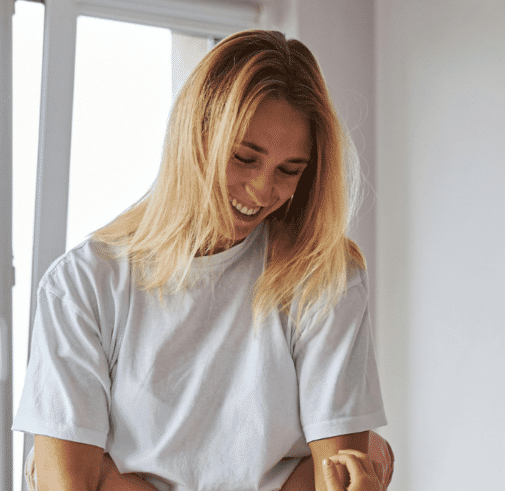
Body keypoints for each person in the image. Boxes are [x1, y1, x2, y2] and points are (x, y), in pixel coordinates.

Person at [14, 30, 391, 491]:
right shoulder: (83, 282)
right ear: (195, 139)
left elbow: (339, 473)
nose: (261, 190)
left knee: (370, 455)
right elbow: (64, 481)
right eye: (244, 158)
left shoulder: (321, 273)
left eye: (289, 170)